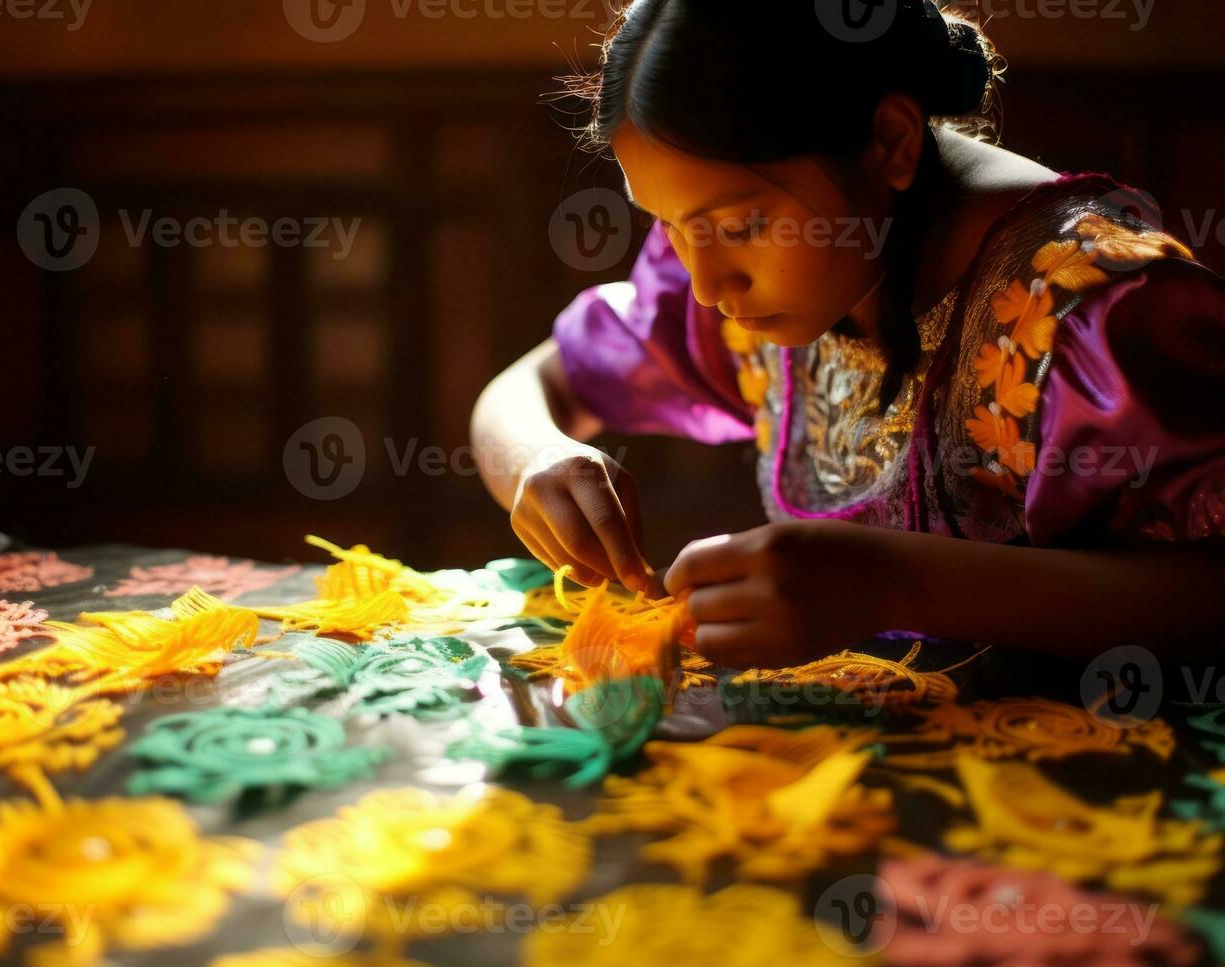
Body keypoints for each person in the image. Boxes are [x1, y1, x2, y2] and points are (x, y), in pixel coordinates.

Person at [470, 0, 1225, 665]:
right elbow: (541, 384)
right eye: (668, 223)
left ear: (891, 140)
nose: (705, 284)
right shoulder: (753, 267)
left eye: (738, 224)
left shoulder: (1094, 306)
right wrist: (541, 456)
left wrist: (893, 584)